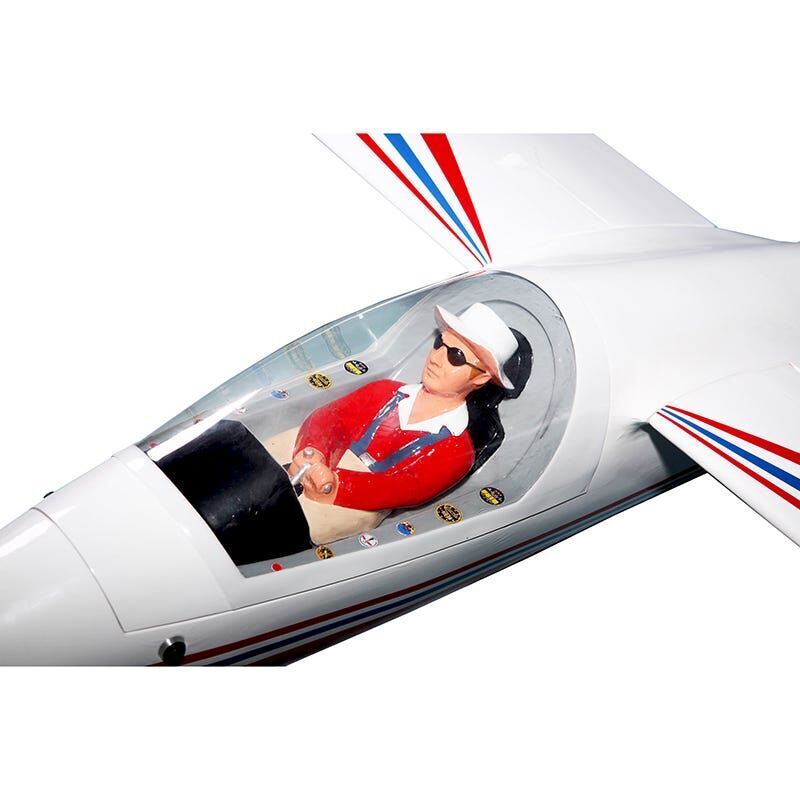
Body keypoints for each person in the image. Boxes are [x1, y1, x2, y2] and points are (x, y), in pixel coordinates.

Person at [264, 302, 522, 545]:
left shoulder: (457, 450)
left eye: (455, 356)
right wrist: (314, 450)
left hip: (350, 500)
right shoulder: (385, 391)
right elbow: (333, 416)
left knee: (279, 531)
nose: (436, 358)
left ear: (481, 377)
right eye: (439, 344)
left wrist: (335, 485)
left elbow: (403, 487)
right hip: (313, 459)